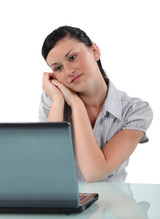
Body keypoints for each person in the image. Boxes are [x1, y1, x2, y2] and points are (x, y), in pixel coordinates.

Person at [39, 26, 153, 182]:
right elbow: (49, 168)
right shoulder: (53, 99)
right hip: (66, 203)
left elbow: (93, 173)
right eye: (58, 68)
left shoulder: (135, 111)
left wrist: (76, 104)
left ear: (94, 51)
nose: (68, 71)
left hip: (115, 201)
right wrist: (59, 101)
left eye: (72, 57)